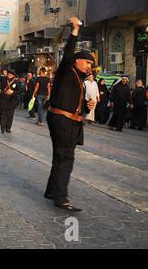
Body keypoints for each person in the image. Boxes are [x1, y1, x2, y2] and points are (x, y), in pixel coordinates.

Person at [45, 16, 96, 212]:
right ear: (76, 61)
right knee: (66, 158)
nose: (89, 67)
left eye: (91, 64)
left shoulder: (79, 80)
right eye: (86, 63)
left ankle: (52, 191)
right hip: (61, 119)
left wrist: (86, 104)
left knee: (61, 157)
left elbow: (76, 103)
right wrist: (75, 30)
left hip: (72, 122)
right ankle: (61, 198)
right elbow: (67, 54)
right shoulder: (66, 71)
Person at [0, 69, 19, 133]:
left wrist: (13, 92)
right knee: (3, 114)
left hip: (12, 101)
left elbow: (20, 91)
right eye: (8, 74)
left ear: (13, 76)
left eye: (10, 75)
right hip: (3, 100)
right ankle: (2, 127)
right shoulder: (3, 79)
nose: (9, 76)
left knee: (10, 115)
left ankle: (8, 128)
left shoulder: (16, 82)